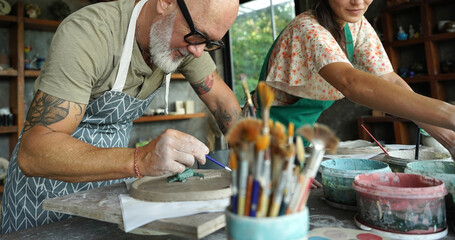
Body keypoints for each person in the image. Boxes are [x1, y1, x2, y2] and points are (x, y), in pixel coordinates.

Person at [1, 0, 240, 234]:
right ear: (165, 3)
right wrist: (142, 159)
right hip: (44, 193)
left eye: (210, 42)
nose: (198, 52)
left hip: (108, 186)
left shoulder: (188, 43)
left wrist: (253, 155)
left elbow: (221, 101)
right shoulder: (89, 32)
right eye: (197, 35)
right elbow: (34, 153)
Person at [251, 0, 455, 159]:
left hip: (300, 141)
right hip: (262, 143)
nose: (358, 2)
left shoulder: (356, 25)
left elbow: (390, 81)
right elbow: (350, 83)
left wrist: (448, 137)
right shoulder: (307, 29)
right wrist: (449, 114)